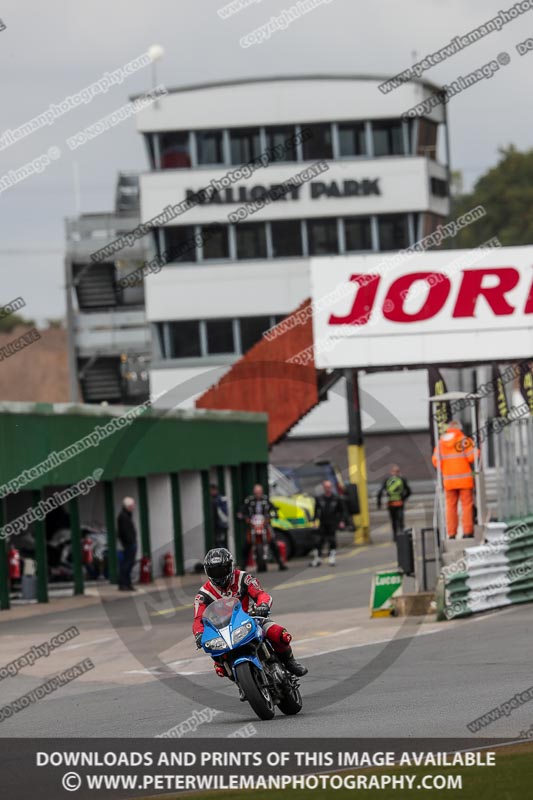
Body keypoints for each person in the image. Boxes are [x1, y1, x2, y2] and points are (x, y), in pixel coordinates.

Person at [193, 548, 307, 677]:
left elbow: (261, 594)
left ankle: (290, 661)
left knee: (278, 633)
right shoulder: (203, 594)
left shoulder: (244, 578)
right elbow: (198, 619)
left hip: (251, 618)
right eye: (213, 571)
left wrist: (263, 605)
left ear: (230, 566)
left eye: (222, 569)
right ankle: (238, 679)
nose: (218, 575)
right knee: (219, 664)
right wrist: (199, 634)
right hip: (224, 629)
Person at [432, 420, 479, 540]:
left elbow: (435, 461)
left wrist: (447, 468)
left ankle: (451, 533)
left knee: (450, 507)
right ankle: (467, 532)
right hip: (464, 480)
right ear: (459, 428)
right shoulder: (463, 440)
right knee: (466, 506)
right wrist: (477, 449)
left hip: (449, 481)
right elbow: (472, 456)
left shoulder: (441, 443)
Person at [238, 484, 287, 571]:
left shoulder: (266, 499)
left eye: (259, 492)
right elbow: (242, 509)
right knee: (246, 545)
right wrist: (242, 516)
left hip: (264, 525)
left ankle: (280, 563)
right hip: (253, 525)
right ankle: (243, 566)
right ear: (254, 492)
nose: (258, 494)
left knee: (273, 542)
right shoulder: (249, 500)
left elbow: (273, 508)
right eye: (256, 492)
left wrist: (274, 514)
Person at [310, 480, 346, 567]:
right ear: (323, 488)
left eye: (329, 487)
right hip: (322, 522)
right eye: (326, 487)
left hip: (332, 522)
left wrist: (341, 521)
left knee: (332, 540)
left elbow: (342, 511)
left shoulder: (336, 498)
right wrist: (314, 521)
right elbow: (316, 510)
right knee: (319, 540)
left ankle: (332, 557)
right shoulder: (319, 499)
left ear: (331, 488)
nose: (328, 489)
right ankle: (318, 558)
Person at [377, 464, 412, 542]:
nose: (395, 473)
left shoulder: (389, 480)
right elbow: (409, 491)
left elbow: (380, 492)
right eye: (394, 471)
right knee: (398, 520)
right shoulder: (400, 480)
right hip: (396, 503)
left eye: (396, 471)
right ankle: (399, 535)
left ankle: (397, 536)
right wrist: (403, 498)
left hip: (395, 503)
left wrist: (379, 503)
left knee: (397, 520)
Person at [117, 496, 138, 591]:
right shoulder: (123, 517)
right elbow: (124, 532)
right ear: (128, 506)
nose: (133, 507)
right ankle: (123, 584)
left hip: (130, 543)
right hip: (129, 544)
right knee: (126, 564)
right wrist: (130, 541)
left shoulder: (126, 516)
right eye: (132, 505)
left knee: (129, 564)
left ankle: (128, 583)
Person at [210, 483, 229, 548]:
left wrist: (224, 523)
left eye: (213, 490)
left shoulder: (221, 498)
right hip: (214, 526)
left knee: (220, 542)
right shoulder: (210, 499)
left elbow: (224, 513)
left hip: (221, 525)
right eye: (211, 490)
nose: (212, 492)